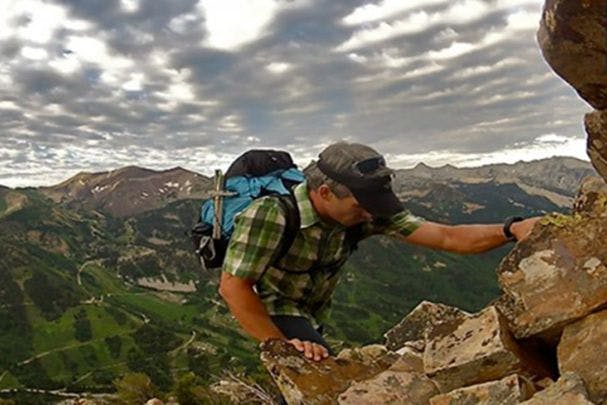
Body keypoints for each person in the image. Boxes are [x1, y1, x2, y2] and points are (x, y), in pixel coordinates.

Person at [218, 142, 538, 362]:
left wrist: (512, 229)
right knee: (316, 370)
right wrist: (282, 348)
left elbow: (446, 236)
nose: (371, 215)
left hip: (313, 313)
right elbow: (233, 287)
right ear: (325, 193)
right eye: (361, 207)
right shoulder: (271, 215)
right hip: (272, 307)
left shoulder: (362, 213)